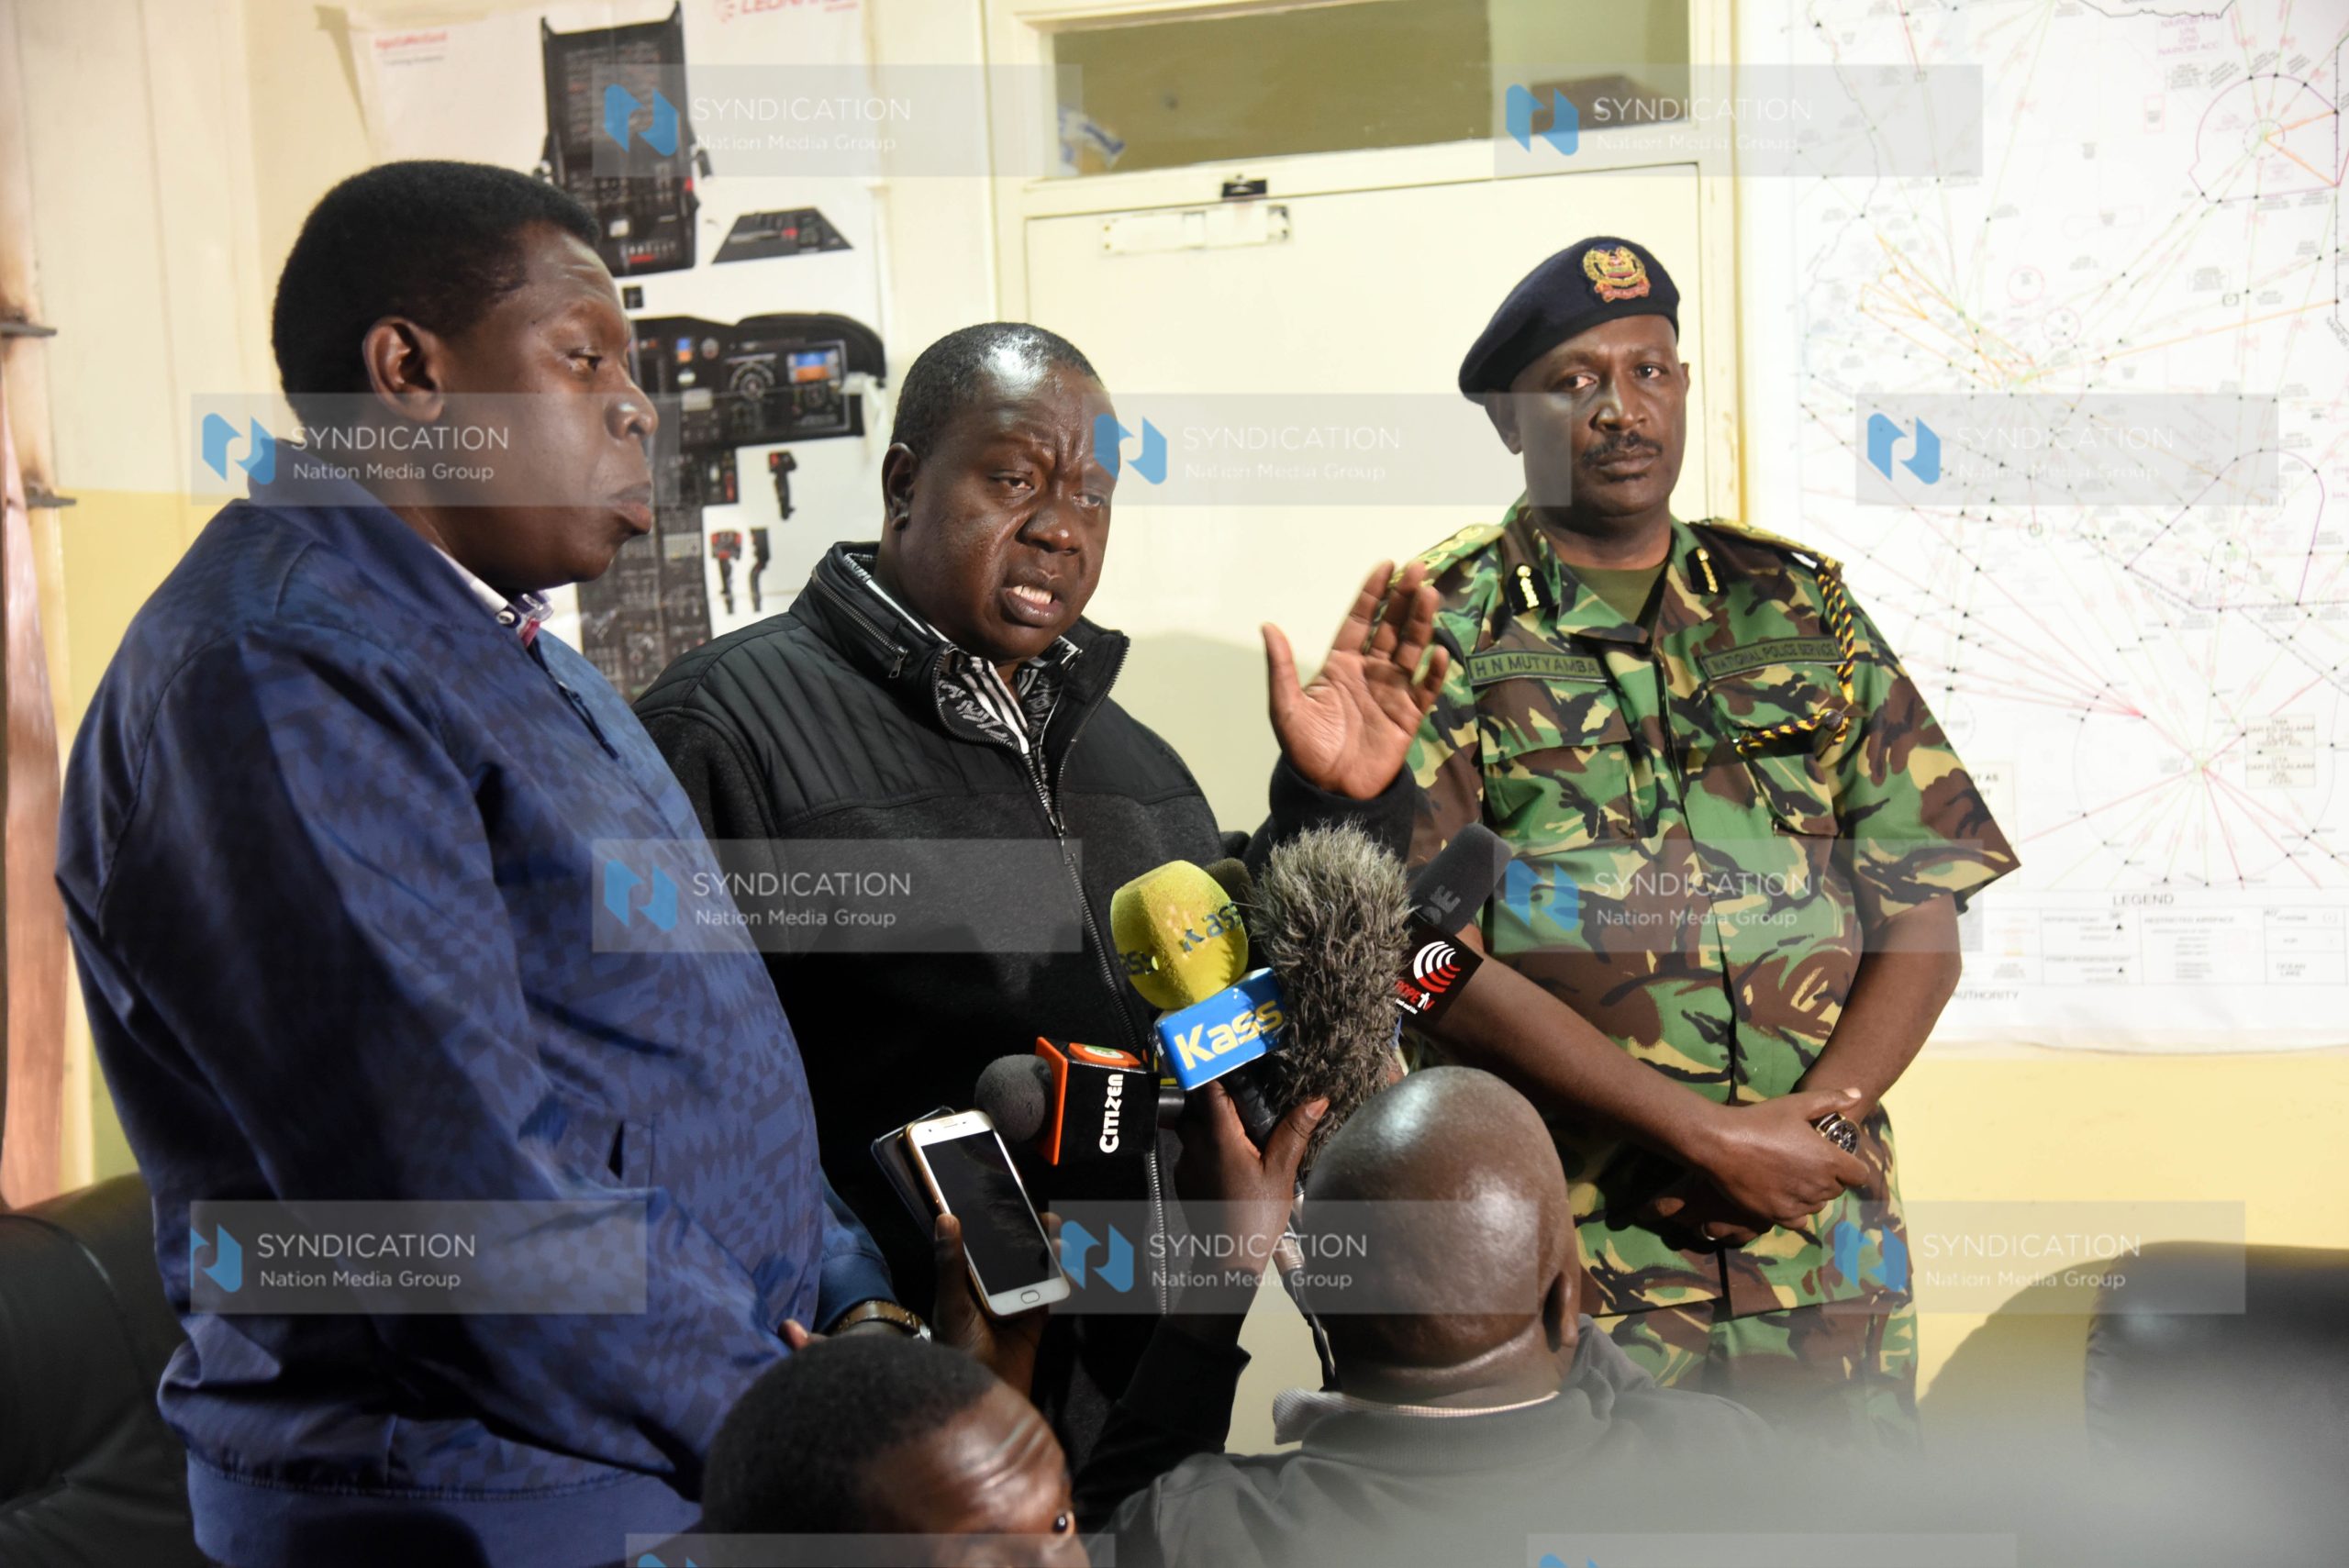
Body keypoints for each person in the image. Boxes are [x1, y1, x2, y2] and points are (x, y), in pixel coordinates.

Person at [53, 161, 909, 1568]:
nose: (639, 405)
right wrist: (793, 1423)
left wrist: (854, 1300)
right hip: (482, 1492)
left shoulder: (507, 646)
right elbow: (459, 1198)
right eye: (584, 358)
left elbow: (699, 1033)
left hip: (671, 1430)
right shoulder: (278, 670)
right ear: (410, 372)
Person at [633, 321, 1448, 1458]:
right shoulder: (723, 727)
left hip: (1151, 1396)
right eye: (1014, 478)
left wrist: (1332, 806)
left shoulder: (1132, 755)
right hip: (898, 1417)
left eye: (1094, 495)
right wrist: (852, 1319)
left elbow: (1239, 1013)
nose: (1061, 527)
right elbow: (675, 1099)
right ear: (905, 483)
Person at [1398, 235, 2019, 1443]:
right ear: (1508, 419)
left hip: (1820, 1244)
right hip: (1582, 1247)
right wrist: (1704, 1134)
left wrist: (1813, 1129)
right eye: (1576, 381)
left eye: (1652, 370)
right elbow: (1421, 961)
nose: (1623, 410)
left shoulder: (1798, 605)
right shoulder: (1439, 626)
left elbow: (1924, 904)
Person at [1073, 1067, 1771, 1568]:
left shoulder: (1205, 1527)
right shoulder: (1723, 1462)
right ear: (1568, 1299)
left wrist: (1230, 1266)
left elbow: (1094, 1537)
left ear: (1320, 1303)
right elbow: (1603, 1366)